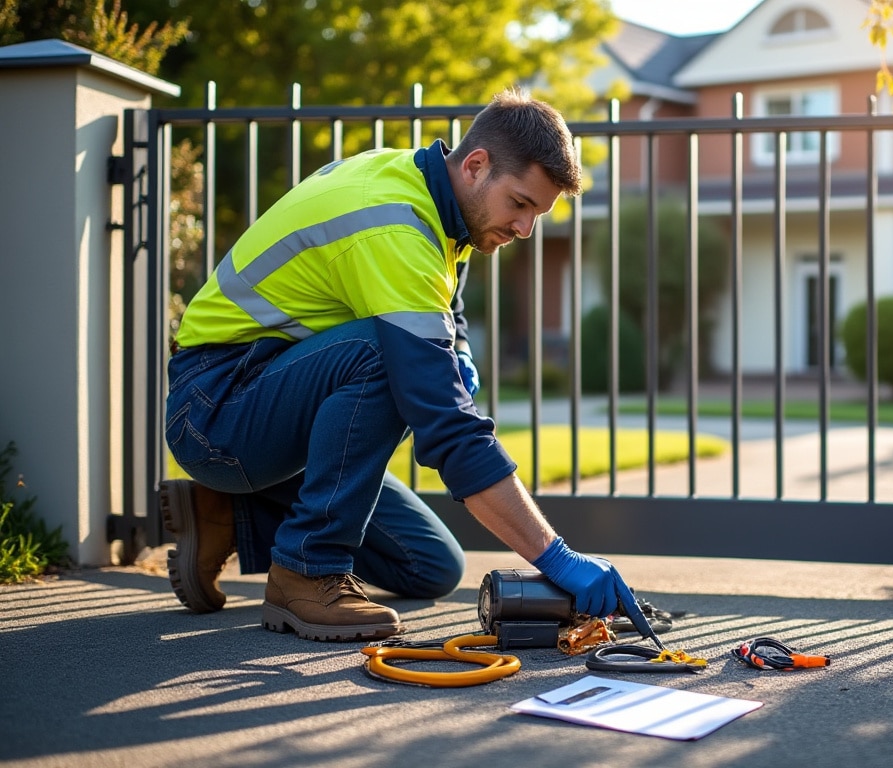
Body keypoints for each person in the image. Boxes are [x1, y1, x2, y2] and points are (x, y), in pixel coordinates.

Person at [160, 88, 638, 642]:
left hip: (266, 400)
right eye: (521, 204)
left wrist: (457, 350)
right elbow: (445, 423)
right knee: (387, 356)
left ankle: (227, 512)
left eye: (537, 212)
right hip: (215, 408)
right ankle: (307, 569)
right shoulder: (394, 226)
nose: (525, 228)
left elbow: (444, 301)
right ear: (478, 165)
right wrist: (555, 557)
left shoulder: (434, 198)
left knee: (430, 565)